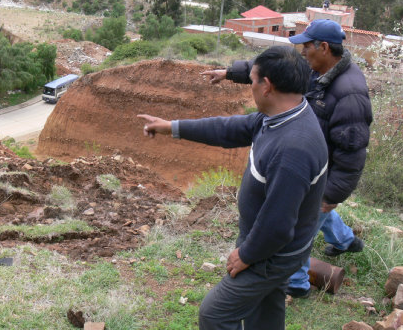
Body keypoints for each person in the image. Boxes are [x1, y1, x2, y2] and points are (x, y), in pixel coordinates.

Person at [138, 46, 328, 330]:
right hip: (272, 248)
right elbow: (228, 129)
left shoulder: (293, 149)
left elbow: (278, 225)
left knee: (215, 314)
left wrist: (247, 254)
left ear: (267, 86)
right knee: (264, 312)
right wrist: (171, 127)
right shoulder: (282, 115)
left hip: (272, 255)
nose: (249, 86)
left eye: (251, 80)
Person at [202, 19, 373, 298]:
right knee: (317, 210)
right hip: (308, 163)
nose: (302, 52)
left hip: (321, 170)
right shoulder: (316, 69)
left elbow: (353, 154)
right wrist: (229, 72)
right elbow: (272, 73)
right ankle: (345, 241)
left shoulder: (350, 93)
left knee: (299, 228)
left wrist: (331, 195)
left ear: (324, 47)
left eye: (306, 46)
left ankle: (296, 284)